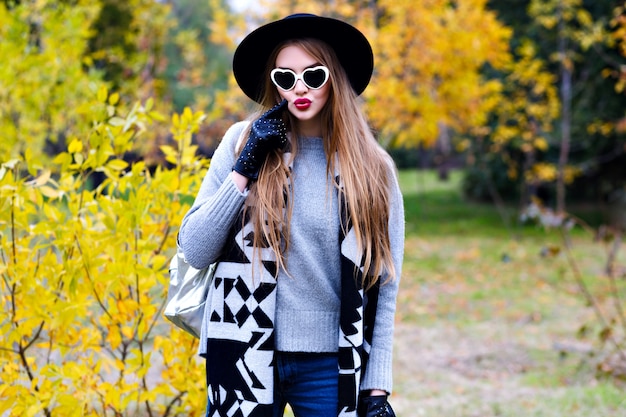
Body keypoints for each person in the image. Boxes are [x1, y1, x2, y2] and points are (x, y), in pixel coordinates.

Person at [178, 13, 404, 417]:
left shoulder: (373, 169)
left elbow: (384, 285)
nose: (299, 88)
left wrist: (377, 387)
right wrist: (244, 169)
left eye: (313, 76)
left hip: (329, 364)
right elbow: (194, 250)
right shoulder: (241, 144)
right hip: (242, 349)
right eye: (286, 78)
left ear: (333, 78)